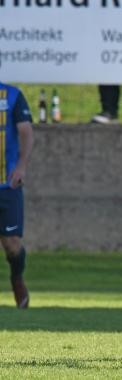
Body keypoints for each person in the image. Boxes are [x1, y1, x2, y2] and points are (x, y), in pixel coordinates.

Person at [0, 82, 34, 309]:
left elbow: (26, 133)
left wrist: (21, 166)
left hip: (7, 184)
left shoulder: (12, 95)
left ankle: (16, 278)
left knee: (11, 243)